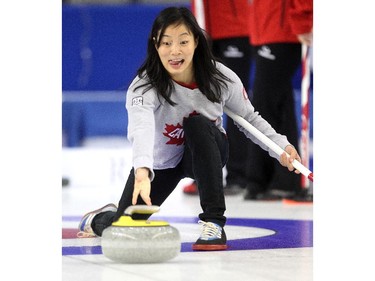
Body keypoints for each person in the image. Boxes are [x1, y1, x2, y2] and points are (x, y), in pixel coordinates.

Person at [78, 6, 302, 251]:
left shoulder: (221, 78)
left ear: (196, 41)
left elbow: (249, 119)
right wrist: (142, 170)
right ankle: (100, 219)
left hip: (206, 151)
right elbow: (140, 128)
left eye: (183, 41)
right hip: (161, 163)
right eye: (166, 43)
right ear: (156, 45)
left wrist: (281, 147)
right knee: (123, 227)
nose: (175, 51)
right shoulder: (144, 86)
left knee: (197, 123)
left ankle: (214, 223)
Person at [244, 0, 313, 200]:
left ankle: (261, 179)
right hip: (265, 30)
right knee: (279, 102)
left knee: (264, 104)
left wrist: (303, 22)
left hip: (282, 31)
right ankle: (283, 180)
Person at [183, 0, 252, 196]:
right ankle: (202, 175)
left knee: (237, 102)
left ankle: (239, 175)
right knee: (198, 100)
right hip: (202, 31)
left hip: (234, 29)